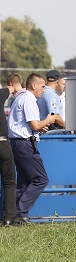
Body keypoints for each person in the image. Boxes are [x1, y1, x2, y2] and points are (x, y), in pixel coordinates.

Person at [8, 73, 61, 221]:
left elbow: (31, 126)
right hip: (24, 143)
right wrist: (49, 120)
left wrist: (39, 127)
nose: (44, 90)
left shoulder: (21, 98)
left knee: (24, 181)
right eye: (42, 86)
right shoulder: (28, 100)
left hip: (18, 142)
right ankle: (20, 211)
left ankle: (14, 215)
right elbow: (36, 124)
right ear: (34, 85)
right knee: (41, 179)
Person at [0, 83, 18, 226]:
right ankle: (9, 219)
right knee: (9, 183)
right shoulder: (1, 95)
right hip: (2, 143)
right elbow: (12, 88)